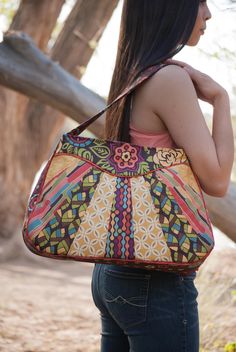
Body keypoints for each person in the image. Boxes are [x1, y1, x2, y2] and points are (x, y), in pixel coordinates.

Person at [91, 1, 234, 351]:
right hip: (154, 273)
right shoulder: (169, 79)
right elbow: (216, 181)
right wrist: (220, 99)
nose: (208, 14)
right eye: (200, 3)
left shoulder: (133, 72)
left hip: (112, 269)